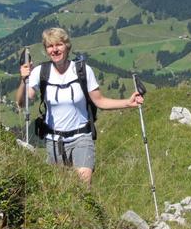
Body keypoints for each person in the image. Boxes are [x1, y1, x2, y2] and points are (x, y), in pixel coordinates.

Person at [16, 27, 144, 185]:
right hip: (54, 140)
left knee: (83, 185)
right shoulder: (41, 72)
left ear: (67, 46)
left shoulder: (82, 71)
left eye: (59, 45)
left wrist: (127, 102)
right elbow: (22, 103)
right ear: (46, 50)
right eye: (50, 46)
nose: (54, 50)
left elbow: (100, 101)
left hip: (81, 137)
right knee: (58, 189)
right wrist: (23, 80)